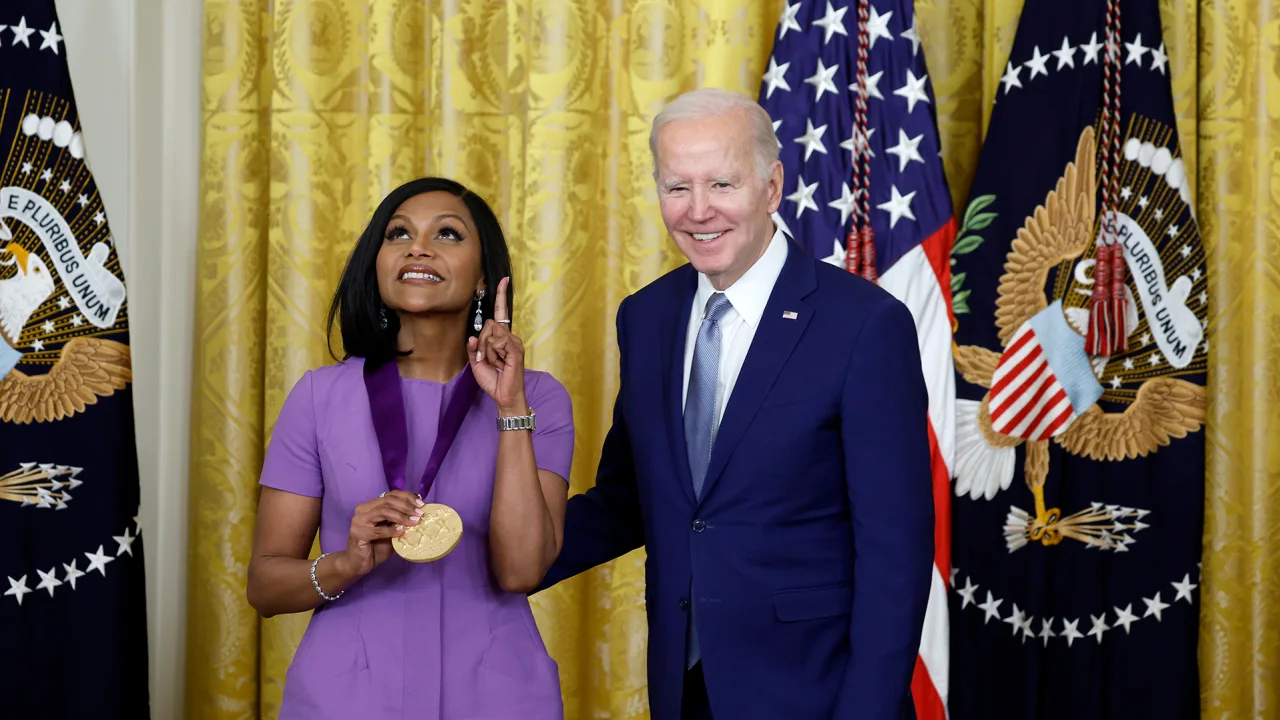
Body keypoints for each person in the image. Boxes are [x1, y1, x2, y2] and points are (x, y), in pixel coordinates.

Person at [536, 88, 934, 719]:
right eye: (676, 187)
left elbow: (896, 555)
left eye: (721, 183)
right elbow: (629, 501)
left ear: (771, 187)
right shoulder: (647, 318)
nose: (698, 211)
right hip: (685, 687)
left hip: (816, 692)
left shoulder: (864, 325)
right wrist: (494, 554)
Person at [246, 177, 574, 720]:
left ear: (485, 279)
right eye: (399, 233)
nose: (418, 246)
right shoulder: (318, 397)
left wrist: (509, 405)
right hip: (347, 698)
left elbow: (521, 570)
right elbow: (264, 586)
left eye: (447, 234)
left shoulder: (536, 398)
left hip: (496, 697)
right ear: (377, 266)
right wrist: (345, 564)